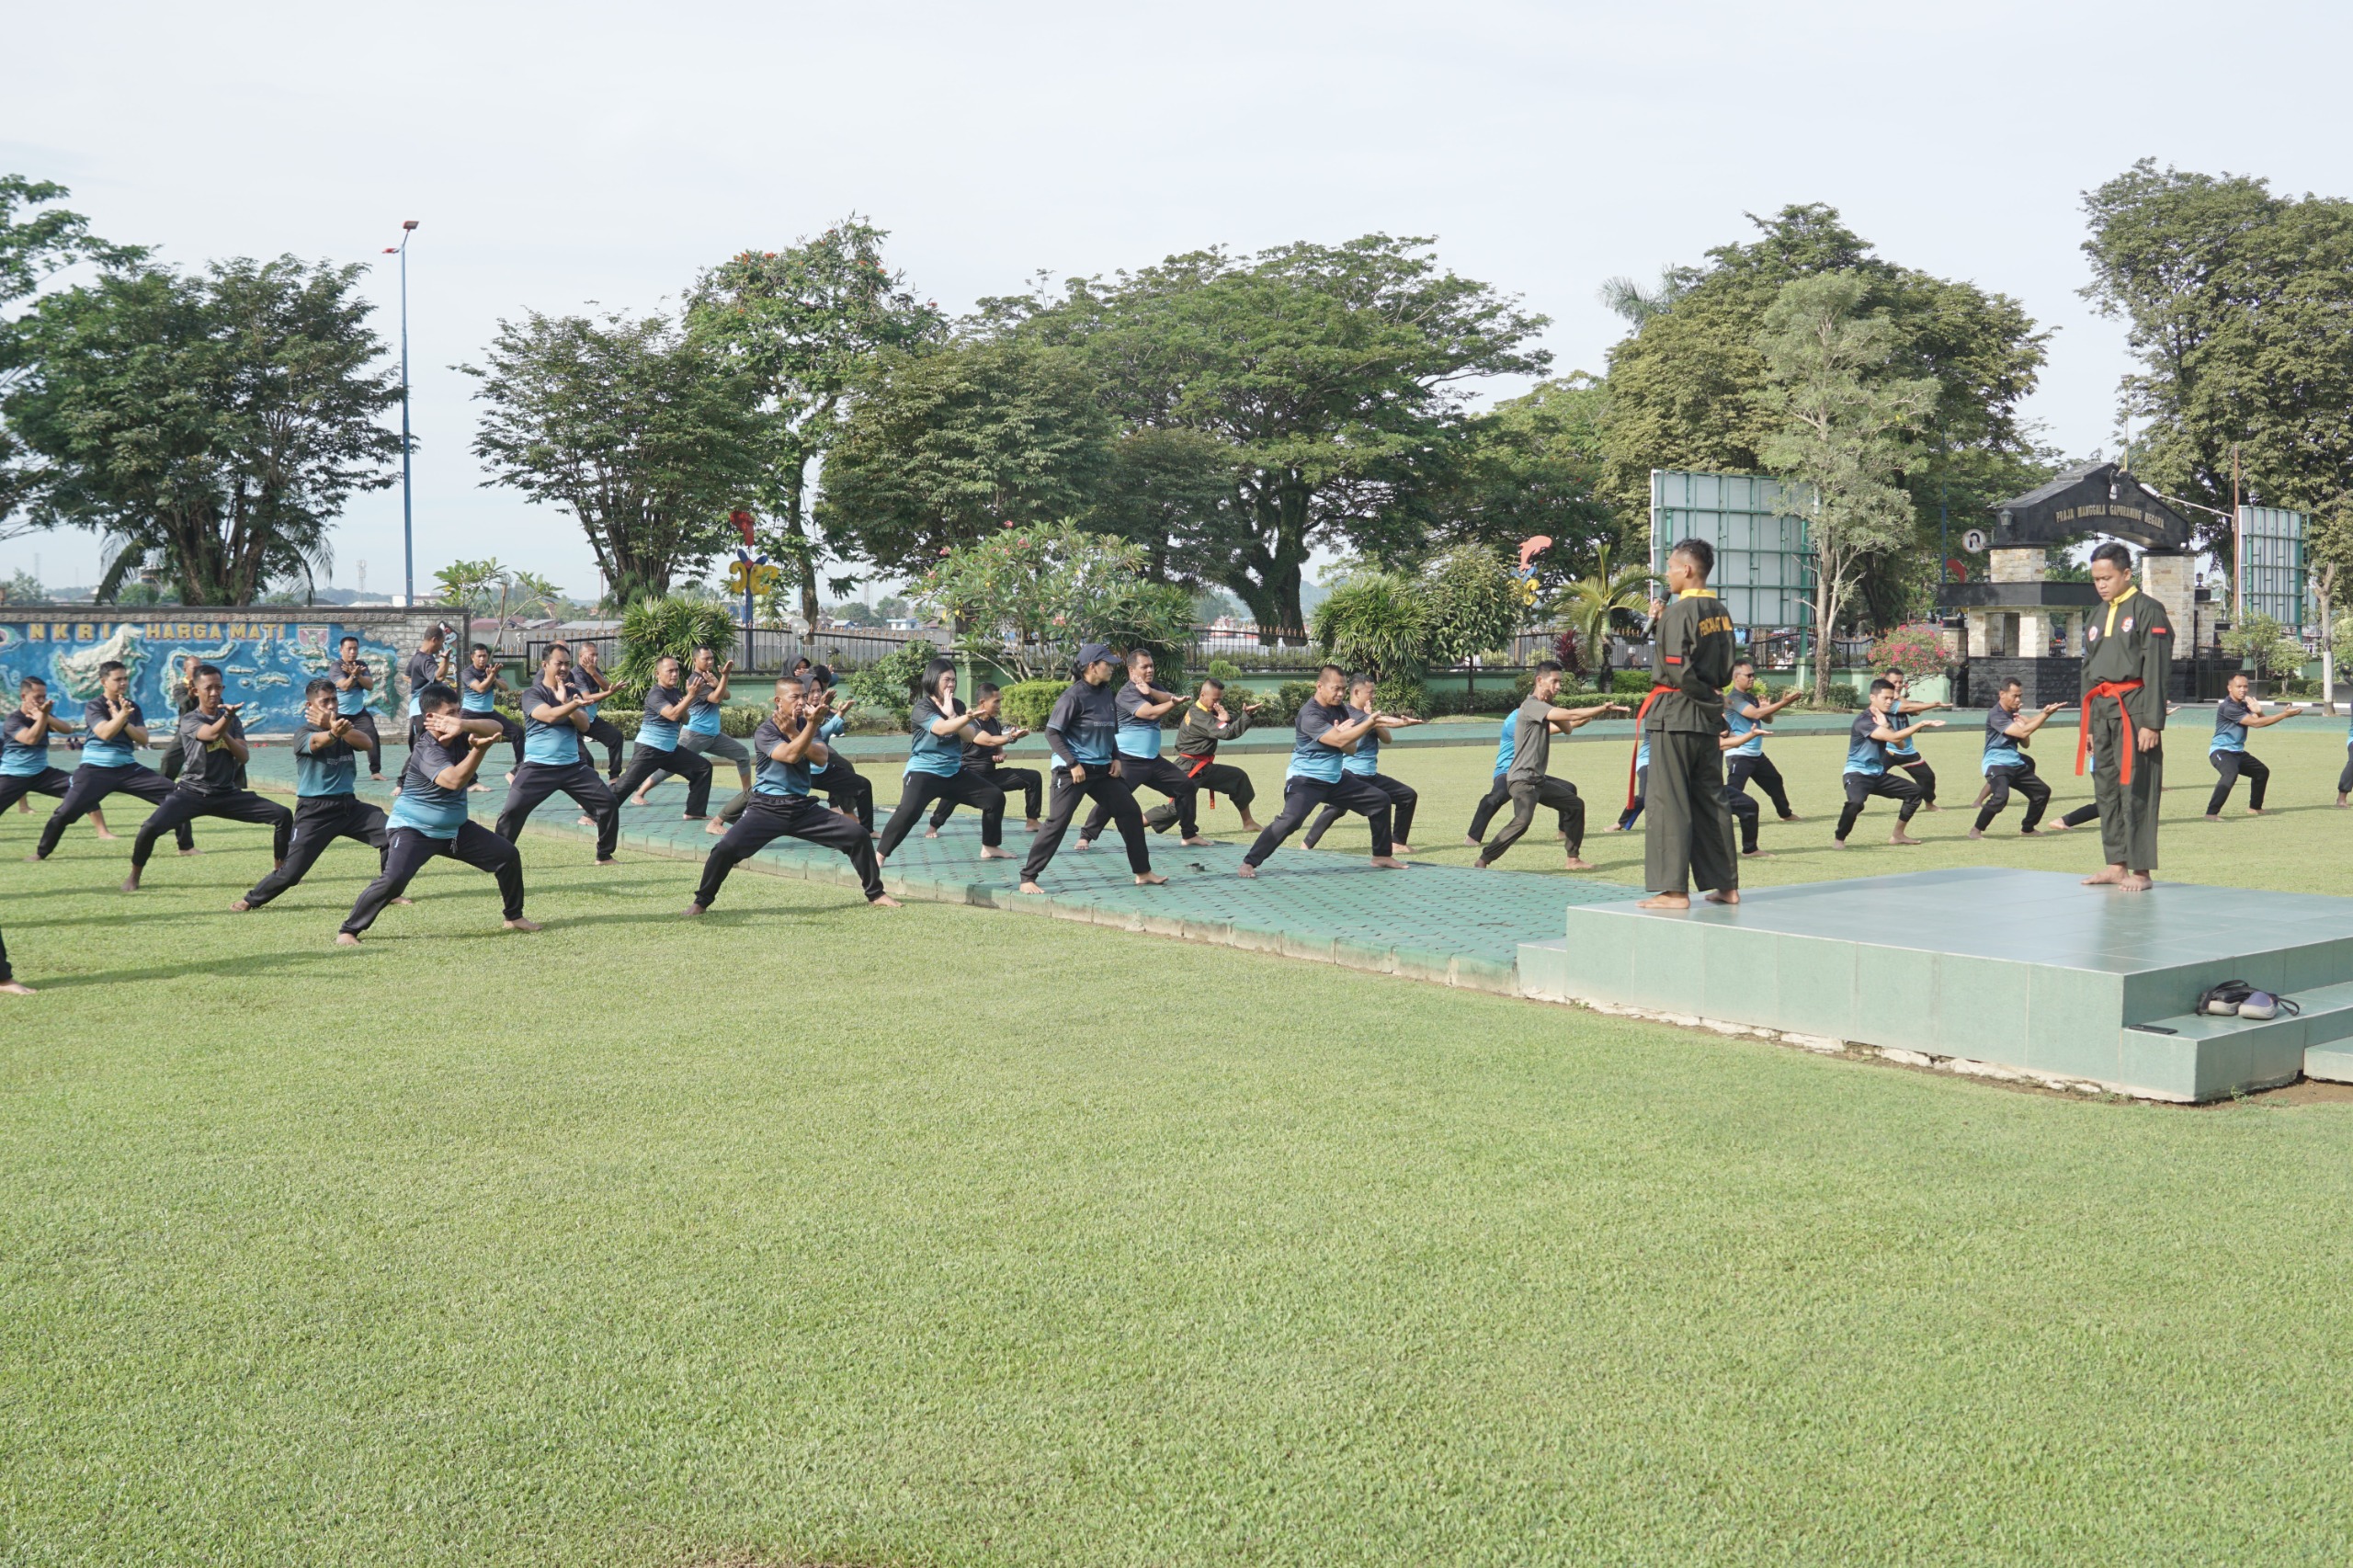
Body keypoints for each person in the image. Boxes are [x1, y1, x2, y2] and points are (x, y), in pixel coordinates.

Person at [339, 682, 538, 944]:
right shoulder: (426, 748)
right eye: (452, 712)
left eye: (459, 711)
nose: (458, 716)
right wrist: (479, 750)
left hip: (454, 831)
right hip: (414, 828)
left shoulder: (459, 731)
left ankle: (513, 916)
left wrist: (464, 726)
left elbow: (498, 728)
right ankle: (348, 930)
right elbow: (454, 780)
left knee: (507, 856)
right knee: (394, 880)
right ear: (431, 717)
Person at [685, 676, 896, 915]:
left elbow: (821, 758)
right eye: (794, 697)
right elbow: (789, 756)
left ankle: (876, 894)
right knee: (723, 850)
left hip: (801, 808)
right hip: (766, 808)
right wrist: (802, 731)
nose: (801, 701)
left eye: (803, 696)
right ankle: (700, 903)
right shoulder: (765, 730)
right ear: (778, 701)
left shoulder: (807, 725)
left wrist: (800, 730)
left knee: (858, 835)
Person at [1636, 539, 1743, 908]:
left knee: (1668, 802)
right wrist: (1715, 702)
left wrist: (1708, 699)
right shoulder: (1721, 611)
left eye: (1669, 566)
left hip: (1676, 714)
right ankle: (1726, 886)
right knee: (1711, 800)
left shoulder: (1678, 614)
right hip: (1706, 721)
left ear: (1687, 570)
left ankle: (1674, 891)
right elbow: (1727, 667)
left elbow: (1678, 670)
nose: (1666, 573)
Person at [123, 663, 293, 892]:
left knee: (283, 815)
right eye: (208, 688)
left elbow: (243, 756)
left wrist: (228, 726)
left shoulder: (231, 719)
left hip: (226, 793)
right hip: (191, 793)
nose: (214, 693)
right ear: (195, 691)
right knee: (149, 827)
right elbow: (210, 734)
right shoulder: (190, 720)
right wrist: (226, 722)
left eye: (218, 687)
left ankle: (280, 873)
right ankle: (134, 876)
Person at [1018, 643, 1166, 894]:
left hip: (1102, 770)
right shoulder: (1073, 696)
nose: (1110, 668)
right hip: (1071, 771)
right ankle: (1027, 878)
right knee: (1058, 822)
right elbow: (1052, 733)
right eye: (1106, 664)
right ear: (1091, 667)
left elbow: (1110, 731)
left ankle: (1142, 872)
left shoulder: (1107, 694)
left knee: (1130, 812)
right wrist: (1072, 763)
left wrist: (1116, 757)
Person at [1237, 664, 1408, 880]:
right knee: (1290, 820)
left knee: (1379, 800)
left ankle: (1382, 856)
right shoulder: (1310, 714)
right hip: (1306, 780)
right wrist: (1365, 725)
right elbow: (1338, 739)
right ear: (1320, 686)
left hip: (1335, 779)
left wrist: (1349, 735)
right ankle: (1249, 862)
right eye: (1336, 688)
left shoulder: (1340, 710)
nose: (1340, 694)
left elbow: (1350, 747)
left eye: (1343, 689)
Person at [233, 679, 392, 911]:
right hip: (315, 810)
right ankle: (250, 899)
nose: (331, 706)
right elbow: (319, 741)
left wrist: (336, 727)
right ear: (310, 706)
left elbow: (367, 743)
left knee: (392, 835)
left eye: (334, 700)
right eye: (324, 701)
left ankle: (390, 891)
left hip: (350, 806)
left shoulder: (345, 728)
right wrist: (333, 730)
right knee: (291, 873)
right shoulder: (303, 733)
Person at [2076, 540, 2172, 892]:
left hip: (2135, 710)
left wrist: (2152, 721)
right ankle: (2116, 863)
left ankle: (2141, 870)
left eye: (2107, 577)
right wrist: (2087, 726)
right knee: (2106, 789)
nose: (2101, 584)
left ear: (2126, 574)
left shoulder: (2148, 609)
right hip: (2101, 710)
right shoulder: (2096, 614)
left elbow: (2158, 668)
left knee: (2138, 789)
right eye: (2096, 579)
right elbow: (2088, 668)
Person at [33, 660, 193, 861]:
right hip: (95, 770)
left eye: (125, 678)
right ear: (104, 682)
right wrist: (121, 717)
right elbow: (104, 733)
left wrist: (124, 718)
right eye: (118, 679)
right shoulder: (95, 705)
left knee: (177, 795)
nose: (123, 683)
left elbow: (143, 738)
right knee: (65, 813)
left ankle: (186, 847)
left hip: (127, 768)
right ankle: (41, 853)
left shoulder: (131, 707)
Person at [1474, 661, 1622, 870]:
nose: (1558, 686)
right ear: (1539, 680)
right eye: (1555, 682)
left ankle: (1573, 859)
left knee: (1575, 805)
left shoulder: (1545, 707)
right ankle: (1483, 860)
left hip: (1537, 780)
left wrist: (1590, 713)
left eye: (1559, 682)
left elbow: (1568, 726)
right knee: (1523, 821)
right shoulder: (1531, 706)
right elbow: (1570, 716)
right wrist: (1601, 707)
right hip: (1521, 780)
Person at [494, 645, 622, 864]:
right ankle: (495, 857)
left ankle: (604, 855)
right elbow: (549, 716)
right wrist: (571, 705)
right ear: (545, 665)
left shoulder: (572, 693)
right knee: (512, 811)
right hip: (538, 767)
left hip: (573, 767)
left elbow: (583, 725)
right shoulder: (532, 694)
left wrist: (567, 702)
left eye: (566, 663)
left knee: (608, 803)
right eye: (558, 663)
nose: (564, 668)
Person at [875, 657, 1013, 862]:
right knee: (909, 811)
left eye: (954, 680)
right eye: (946, 679)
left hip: (953, 772)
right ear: (933, 679)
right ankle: (879, 855)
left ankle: (990, 847)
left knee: (994, 797)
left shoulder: (957, 705)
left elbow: (969, 736)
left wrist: (957, 716)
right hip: (924, 771)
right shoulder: (922, 707)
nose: (951, 685)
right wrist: (957, 717)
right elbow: (940, 729)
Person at [1076, 650, 1209, 849]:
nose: (1150, 670)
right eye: (1144, 666)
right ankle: (1086, 836)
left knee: (1186, 787)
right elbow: (1150, 714)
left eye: (1151, 666)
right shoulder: (1127, 693)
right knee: (1112, 798)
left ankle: (1189, 834)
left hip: (1153, 761)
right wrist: (1169, 701)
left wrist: (1152, 692)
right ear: (1131, 670)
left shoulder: (1154, 688)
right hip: (1128, 760)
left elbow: (1169, 698)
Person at [1303, 673, 1426, 851]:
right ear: (1357, 692)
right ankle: (1305, 846)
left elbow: (1387, 740)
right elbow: (1388, 723)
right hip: (1351, 774)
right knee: (1336, 808)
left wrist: (1373, 721)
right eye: (1371, 692)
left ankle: (1398, 843)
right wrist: (1402, 722)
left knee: (1407, 796)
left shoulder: (1368, 716)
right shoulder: (1349, 714)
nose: (1374, 696)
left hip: (1370, 775)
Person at [1834, 678, 1944, 848]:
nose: (1889, 701)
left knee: (1915, 793)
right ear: (1872, 697)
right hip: (1857, 774)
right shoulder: (1864, 720)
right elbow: (1893, 738)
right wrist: (1921, 723)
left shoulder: (1882, 719)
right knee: (1855, 803)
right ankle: (1839, 839)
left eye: (1891, 698)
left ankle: (1898, 835)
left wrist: (1887, 726)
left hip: (1877, 774)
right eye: (1885, 698)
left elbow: (1900, 743)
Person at [926, 682, 1042, 837]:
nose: (1000, 705)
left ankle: (1032, 821)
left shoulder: (994, 722)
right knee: (953, 792)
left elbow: (998, 747)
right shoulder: (971, 723)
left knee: (1033, 777)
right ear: (982, 703)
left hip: (990, 775)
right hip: (969, 775)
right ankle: (933, 826)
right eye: (996, 702)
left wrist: (1000, 755)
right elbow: (988, 740)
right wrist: (1011, 737)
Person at [610, 654, 713, 819]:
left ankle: (695, 812)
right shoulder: (655, 694)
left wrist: (685, 702)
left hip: (669, 750)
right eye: (670, 671)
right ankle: (592, 814)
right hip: (649, 749)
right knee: (624, 786)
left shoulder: (675, 692)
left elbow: (685, 720)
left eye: (676, 670)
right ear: (658, 674)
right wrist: (690, 696)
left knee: (703, 768)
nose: (674, 674)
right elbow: (672, 715)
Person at [1970, 679, 2064, 838]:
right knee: (2000, 797)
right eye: (2015, 696)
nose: (2018, 700)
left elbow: (2025, 742)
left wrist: (2024, 724)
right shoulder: (1996, 714)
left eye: (2020, 696)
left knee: (2042, 792)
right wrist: (2045, 714)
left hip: (2014, 762)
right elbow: (2022, 733)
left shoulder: (2013, 714)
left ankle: (2027, 829)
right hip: (1996, 763)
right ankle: (1975, 830)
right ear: (2002, 694)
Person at [1465, 710, 1572, 846]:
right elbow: (1557, 728)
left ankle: (1564, 832)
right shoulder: (1513, 723)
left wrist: (1588, 715)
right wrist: (1579, 718)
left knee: (1568, 788)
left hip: (1529, 774)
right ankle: (1472, 837)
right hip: (1507, 772)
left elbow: (1567, 722)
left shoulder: (1536, 717)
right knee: (1496, 797)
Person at [1169, 678, 1263, 832]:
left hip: (1204, 767)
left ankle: (1248, 822)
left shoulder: (1203, 710)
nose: (1217, 704)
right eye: (1215, 700)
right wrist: (1242, 718)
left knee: (1237, 778)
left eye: (1219, 699)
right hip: (1189, 768)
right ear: (1202, 694)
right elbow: (1227, 732)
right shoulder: (1201, 717)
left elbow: (1223, 719)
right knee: (1176, 809)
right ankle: (1135, 822)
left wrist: (1243, 714)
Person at [2206, 671, 2300, 819]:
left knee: (2261, 772)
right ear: (2230, 688)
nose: (2243, 689)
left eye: (2245, 686)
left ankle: (2255, 807)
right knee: (2230, 774)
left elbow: (2261, 721)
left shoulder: (2244, 705)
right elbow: (2255, 723)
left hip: (2238, 752)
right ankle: (2211, 813)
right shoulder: (2228, 707)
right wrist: (2284, 715)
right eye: (2239, 686)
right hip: (2221, 751)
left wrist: (2260, 712)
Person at [1, 676, 83, 833]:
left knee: (80, 789)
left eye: (44, 696)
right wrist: (42, 718)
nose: (41, 700)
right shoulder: (13, 720)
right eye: (37, 697)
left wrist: (45, 716)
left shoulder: (43, 715)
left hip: (41, 774)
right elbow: (31, 739)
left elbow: (67, 730)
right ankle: (23, 807)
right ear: (24, 697)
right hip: (13, 775)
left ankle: (103, 832)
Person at [1723, 659, 1802, 821]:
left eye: (1754, 675)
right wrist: (1785, 702)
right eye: (1748, 675)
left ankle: (1785, 814)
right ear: (1736, 677)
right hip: (1739, 753)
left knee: (1775, 781)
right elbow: (1756, 714)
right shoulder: (1734, 699)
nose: (1752, 678)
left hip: (1756, 754)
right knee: (1733, 790)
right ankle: (1716, 818)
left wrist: (1766, 709)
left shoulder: (1750, 697)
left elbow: (1766, 720)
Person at [674, 646, 752, 797]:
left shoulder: (709, 676)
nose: (710, 661)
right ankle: (640, 792)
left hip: (713, 735)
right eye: (706, 658)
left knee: (742, 754)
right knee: (671, 766)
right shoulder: (695, 680)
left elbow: (726, 696)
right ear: (695, 660)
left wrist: (718, 683)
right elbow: (716, 698)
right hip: (695, 734)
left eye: (711, 658)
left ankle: (747, 794)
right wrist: (725, 677)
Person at [1880, 666, 1947, 809]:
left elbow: (1915, 712)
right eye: (1894, 682)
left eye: (1900, 682)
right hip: (1886, 750)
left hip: (1906, 750)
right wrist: (1934, 704)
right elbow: (1909, 708)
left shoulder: (1899, 700)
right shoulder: (1885, 703)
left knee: (1928, 777)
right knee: (1868, 776)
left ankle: (1929, 803)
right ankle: (1856, 805)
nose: (1898, 685)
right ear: (1885, 683)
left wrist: (1900, 696)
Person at [459, 643, 525, 781]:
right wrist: (491, 677)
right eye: (479, 656)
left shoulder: (491, 671)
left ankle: (520, 769)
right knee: (462, 743)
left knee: (517, 733)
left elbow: (506, 687)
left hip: (489, 713)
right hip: (469, 714)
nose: (482, 659)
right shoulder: (467, 673)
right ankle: (469, 779)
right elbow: (480, 688)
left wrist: (494, 677)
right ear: (472, 657)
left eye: (485, 656)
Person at [331, 634, 385, 780]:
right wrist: (353, 676)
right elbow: (345, 686)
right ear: (341, 650)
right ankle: (342, 774)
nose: (353, 652)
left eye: (355, 649)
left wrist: (357, 674)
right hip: (340, 713)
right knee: (341, 743)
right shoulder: (336, 666)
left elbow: (370, 685)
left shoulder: (361, 665)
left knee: (372, 735)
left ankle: (375, 772)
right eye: (349, 649)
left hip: (359, 712)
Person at [571, 641, 627, 779]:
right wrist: (609, 692)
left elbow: (608, 688)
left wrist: (594, 673)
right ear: (581, 656)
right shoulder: (576, 674)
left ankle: (614, 777)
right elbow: (587, 698)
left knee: (616, 737)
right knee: (587, 759)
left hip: (590, 720)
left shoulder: (593, 670)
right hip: (574, 723)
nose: (595, 658)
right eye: (592, 655)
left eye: (596, 655)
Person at [403, 624, 452, 752]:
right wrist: (445, 660)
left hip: (421, 710)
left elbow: (406, 676)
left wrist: (432, 686)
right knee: (419, 751)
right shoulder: (425, 660)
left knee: (426, 750)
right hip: (422, 712)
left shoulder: (417, 657)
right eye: (442, 642)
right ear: (434, 640)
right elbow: (439, 676)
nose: (442, 646)